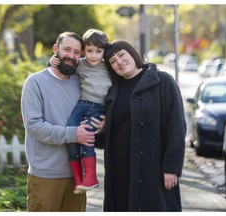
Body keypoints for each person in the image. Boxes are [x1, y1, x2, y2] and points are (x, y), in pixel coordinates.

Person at [96, 39, 186, 211]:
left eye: (122, 55)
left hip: (153, 172)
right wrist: (102, 131)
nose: (119, 62)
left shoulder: (162, 81)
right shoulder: (113, 90)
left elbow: (177, 127)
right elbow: (111, 133)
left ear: (133, 54)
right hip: (119, 172)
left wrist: (172, 168)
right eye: (112, 61)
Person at [20, 31, 98, 212]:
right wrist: (73, 134)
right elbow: (34, 126)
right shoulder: (35, 82)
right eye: (67, 49)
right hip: (46, 176)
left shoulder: (81, 82)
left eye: (77, 52)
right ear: (56, 49)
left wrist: (99, 126)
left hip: (77, 177)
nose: (71, 56)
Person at [49, 29, 111, 194]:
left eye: (98, 51)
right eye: (89, 51)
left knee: (87, 136)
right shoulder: (80, 65)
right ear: (83, 51)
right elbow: (64, 66)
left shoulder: (109, 67)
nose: (94, 56)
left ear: (104, 51)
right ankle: (78, 179)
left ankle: (91, 177)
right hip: (82, 104)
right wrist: (52, 61)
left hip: (99, 108)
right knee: (71, 131)